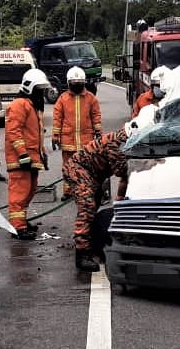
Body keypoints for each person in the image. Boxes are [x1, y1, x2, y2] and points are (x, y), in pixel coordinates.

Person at [63, 105, 157, 271]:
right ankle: (82, 253)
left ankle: (89, 239)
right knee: (87, 207)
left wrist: (120, 203)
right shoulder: (118, 142)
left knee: (93, 207)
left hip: (93, 175)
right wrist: (149, 164)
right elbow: (122, 171)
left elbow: (125, 178)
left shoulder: (129, 143)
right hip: (79, 169)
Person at [4, 68, 50, 241]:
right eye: (39, 89)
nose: (42, 93)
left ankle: (21, 221)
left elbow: (35, 134)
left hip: (31, 158)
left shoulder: (32, 105)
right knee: (19, 193)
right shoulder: (19, 105)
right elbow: (13, 131)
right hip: (21, 160)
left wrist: (42, 153)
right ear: (30, 87)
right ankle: (17, 227)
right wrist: (22, 154)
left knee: (29, 191)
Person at [51, 66, 102, 198]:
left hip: (86, 140)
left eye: (78, 83)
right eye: (74, 83)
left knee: (86, 166)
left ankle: (85, 189)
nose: (76, 85)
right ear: (69, 83)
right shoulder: (63, 98)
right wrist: (55, 135)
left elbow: (96, 116)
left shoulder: (90, 98)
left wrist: (98, 132)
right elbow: (57, 118)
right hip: (69, 141)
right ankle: (68, 191)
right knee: (68, 166)